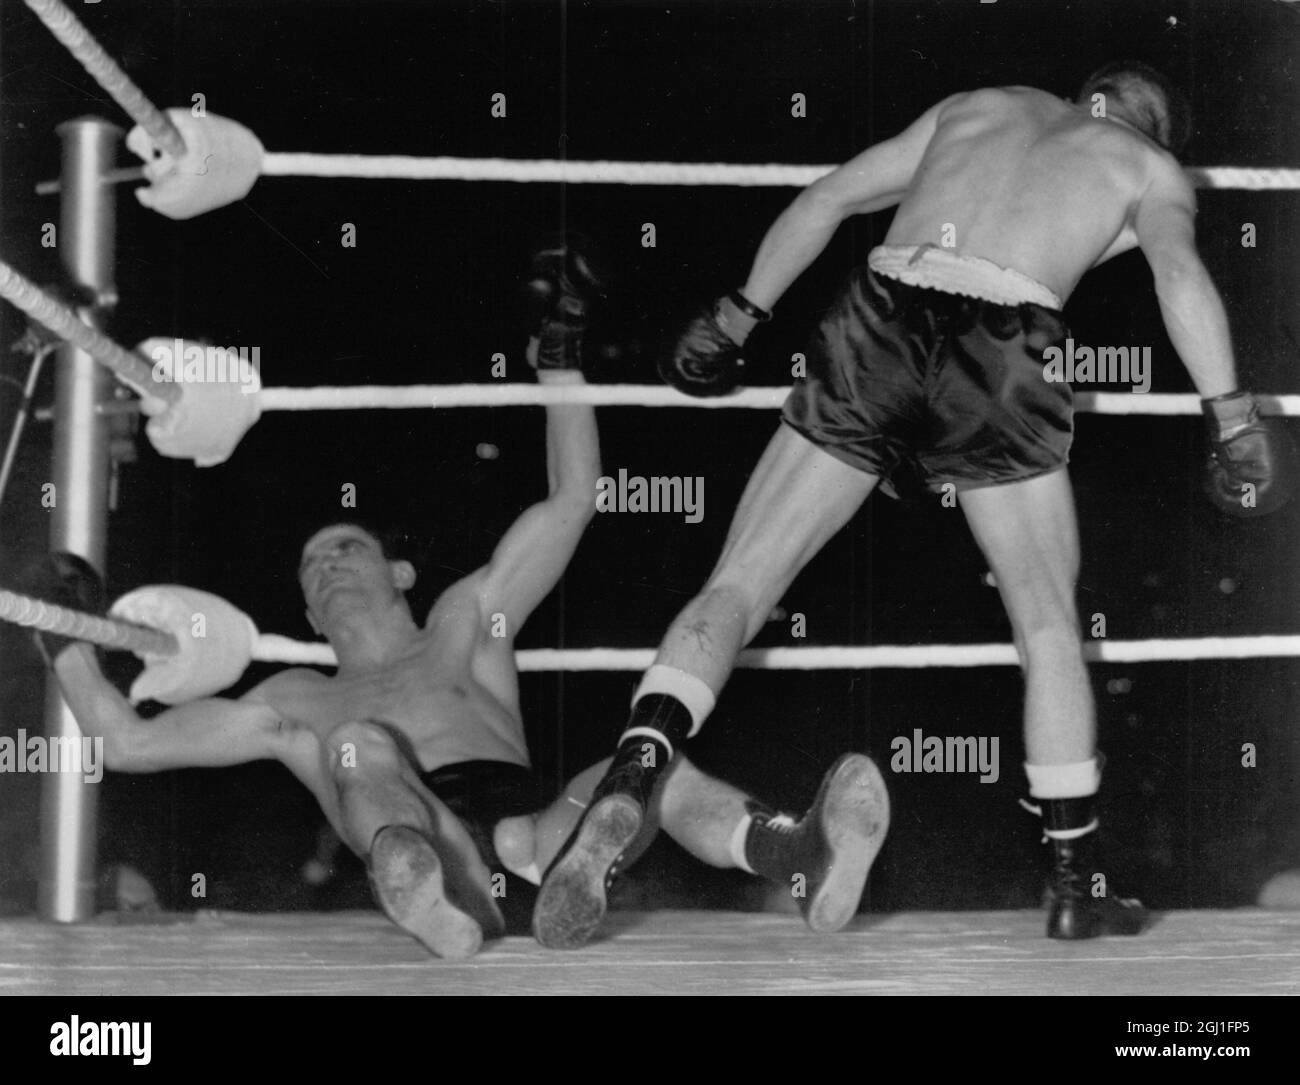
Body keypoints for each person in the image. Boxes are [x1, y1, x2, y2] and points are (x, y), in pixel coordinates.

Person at [535, 62, 1296, 948]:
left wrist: (739, 316)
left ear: (1086, 95)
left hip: (883, 312)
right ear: (1151, 131)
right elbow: (1178, 278)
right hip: (1002, 345)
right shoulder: (1148, 170)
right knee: (1047, 623)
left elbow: (826, 200)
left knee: (740, 581)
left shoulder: (981, 106)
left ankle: (637, 764)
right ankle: (1071, 884)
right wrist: (1233, 416)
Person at [32, 248, 890, 958]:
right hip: (433, 849)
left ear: (399, 574)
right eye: (310, 564)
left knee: (641, 769)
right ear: (304, 608)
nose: (327, 566)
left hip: (541, 841)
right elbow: (128, 740)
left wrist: (560, 362)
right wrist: (59, 634)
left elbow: (573, 499)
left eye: (346, 548)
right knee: (360, 746)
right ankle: (428, 888)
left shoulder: (466, 619)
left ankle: (797, 847)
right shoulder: (291, 698)